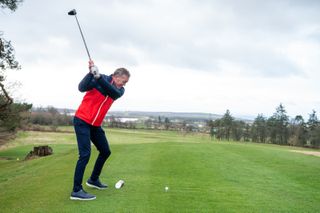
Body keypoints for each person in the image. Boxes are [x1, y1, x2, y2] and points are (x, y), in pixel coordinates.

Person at [70, 61, 130, 200]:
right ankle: (76, 190)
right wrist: (90, 73)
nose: (124, 84)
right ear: (115, 76)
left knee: (105, 151)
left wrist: (98, 78)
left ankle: (93, 179)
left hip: (95, 125)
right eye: (123, 81)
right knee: (85, 155)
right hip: (82, 120)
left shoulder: (119, 90)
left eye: (126, 82)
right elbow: (81, 87)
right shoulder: (99, 78)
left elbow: (113, 92)